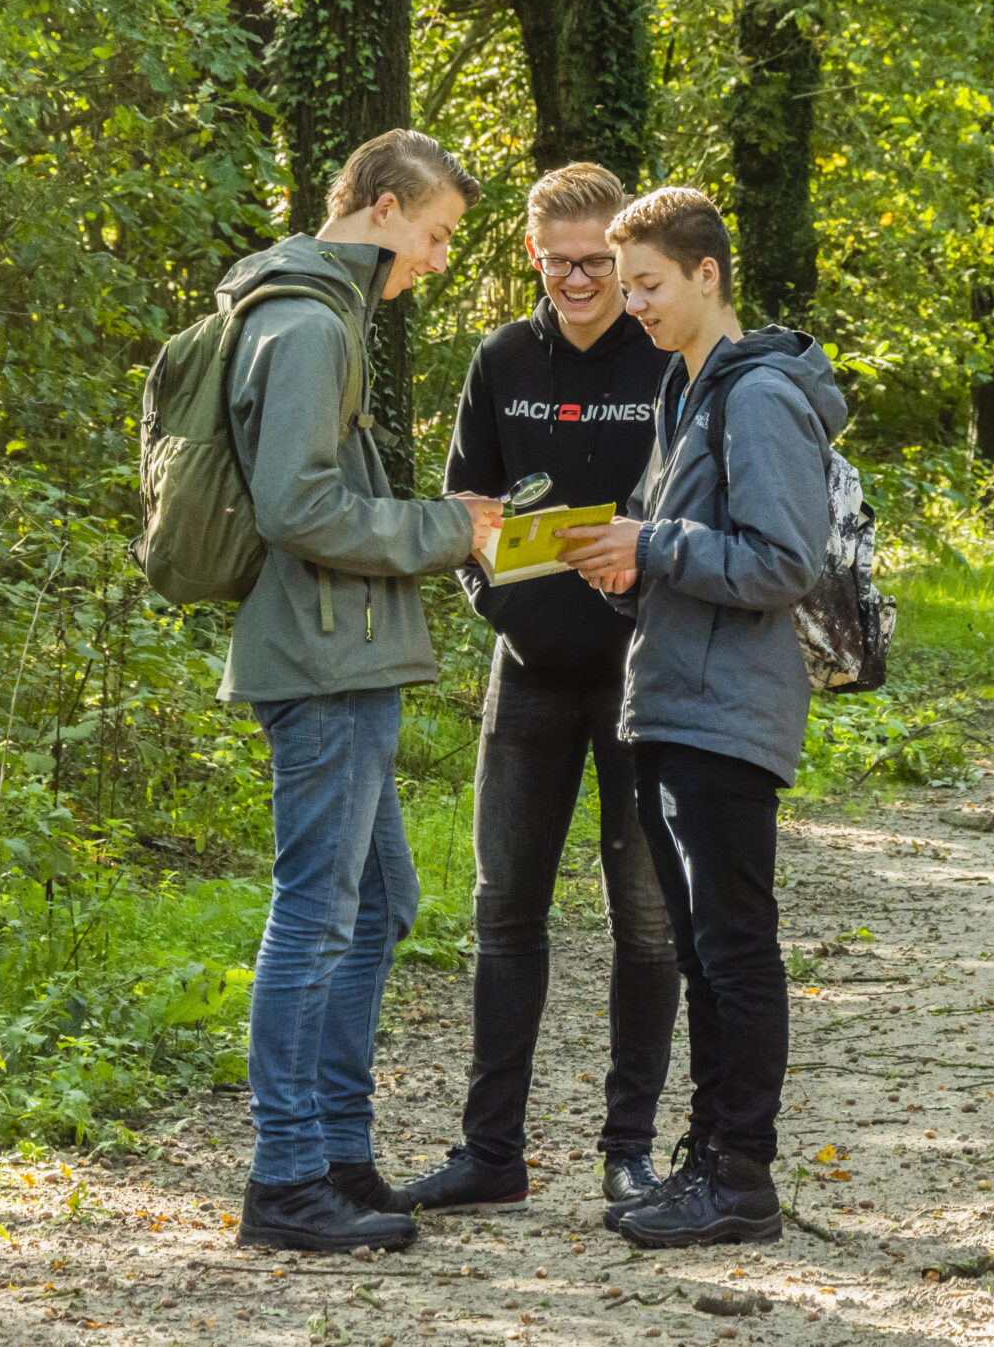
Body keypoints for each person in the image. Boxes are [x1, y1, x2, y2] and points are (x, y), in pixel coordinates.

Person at [218, 129, 505, 1254]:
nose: (438, 259)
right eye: (435, 234)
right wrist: (450, 528)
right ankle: (285, 1180)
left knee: (379, 908)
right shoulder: (301, 324)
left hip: (347, 654)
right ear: (383, 208)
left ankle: (336, 1153)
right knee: (317, 914)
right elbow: (294, 508)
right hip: (322, 661)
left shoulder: (316, 313)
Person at [556, 186, 845, 1248]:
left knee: (734, 951)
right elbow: (687, 549)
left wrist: (654, 548)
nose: (628, 304)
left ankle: (742, 1180)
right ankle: (707, 1162)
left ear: (705, 275)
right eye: (623, 286)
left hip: (729, 714)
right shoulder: (687, 392)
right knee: (699, 951)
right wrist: (624, 568)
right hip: (672, 699)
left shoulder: (757, 398)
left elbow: (783, 562)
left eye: (645, 285)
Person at [400, 164, 682, 1215]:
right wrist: (495, 604)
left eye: (596, 262)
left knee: (647, 921)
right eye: (557, 261)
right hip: (525, 675)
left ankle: (629, 1150)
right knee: (503, 912)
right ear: (530, 255)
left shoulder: (667, 359)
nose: (577, 279)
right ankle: (491, 1152)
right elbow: (460, 507)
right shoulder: (502, 357)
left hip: (642, 678)